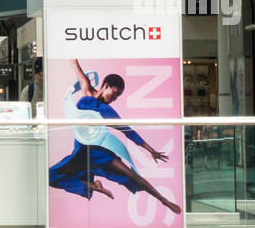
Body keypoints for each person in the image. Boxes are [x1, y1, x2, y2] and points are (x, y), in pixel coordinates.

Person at [49, 59, 182, 216]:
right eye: (115, 93)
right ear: (105, 86)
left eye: (118, 96)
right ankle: (92, 185)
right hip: (80, 153)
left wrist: (151, 150)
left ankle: (164, 200)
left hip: (100, 153)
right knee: (51, 176)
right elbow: (77, 69)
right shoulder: (86, 94)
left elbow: (128, 131)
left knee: (131, 174)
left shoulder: (107, 110)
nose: (115, 98)